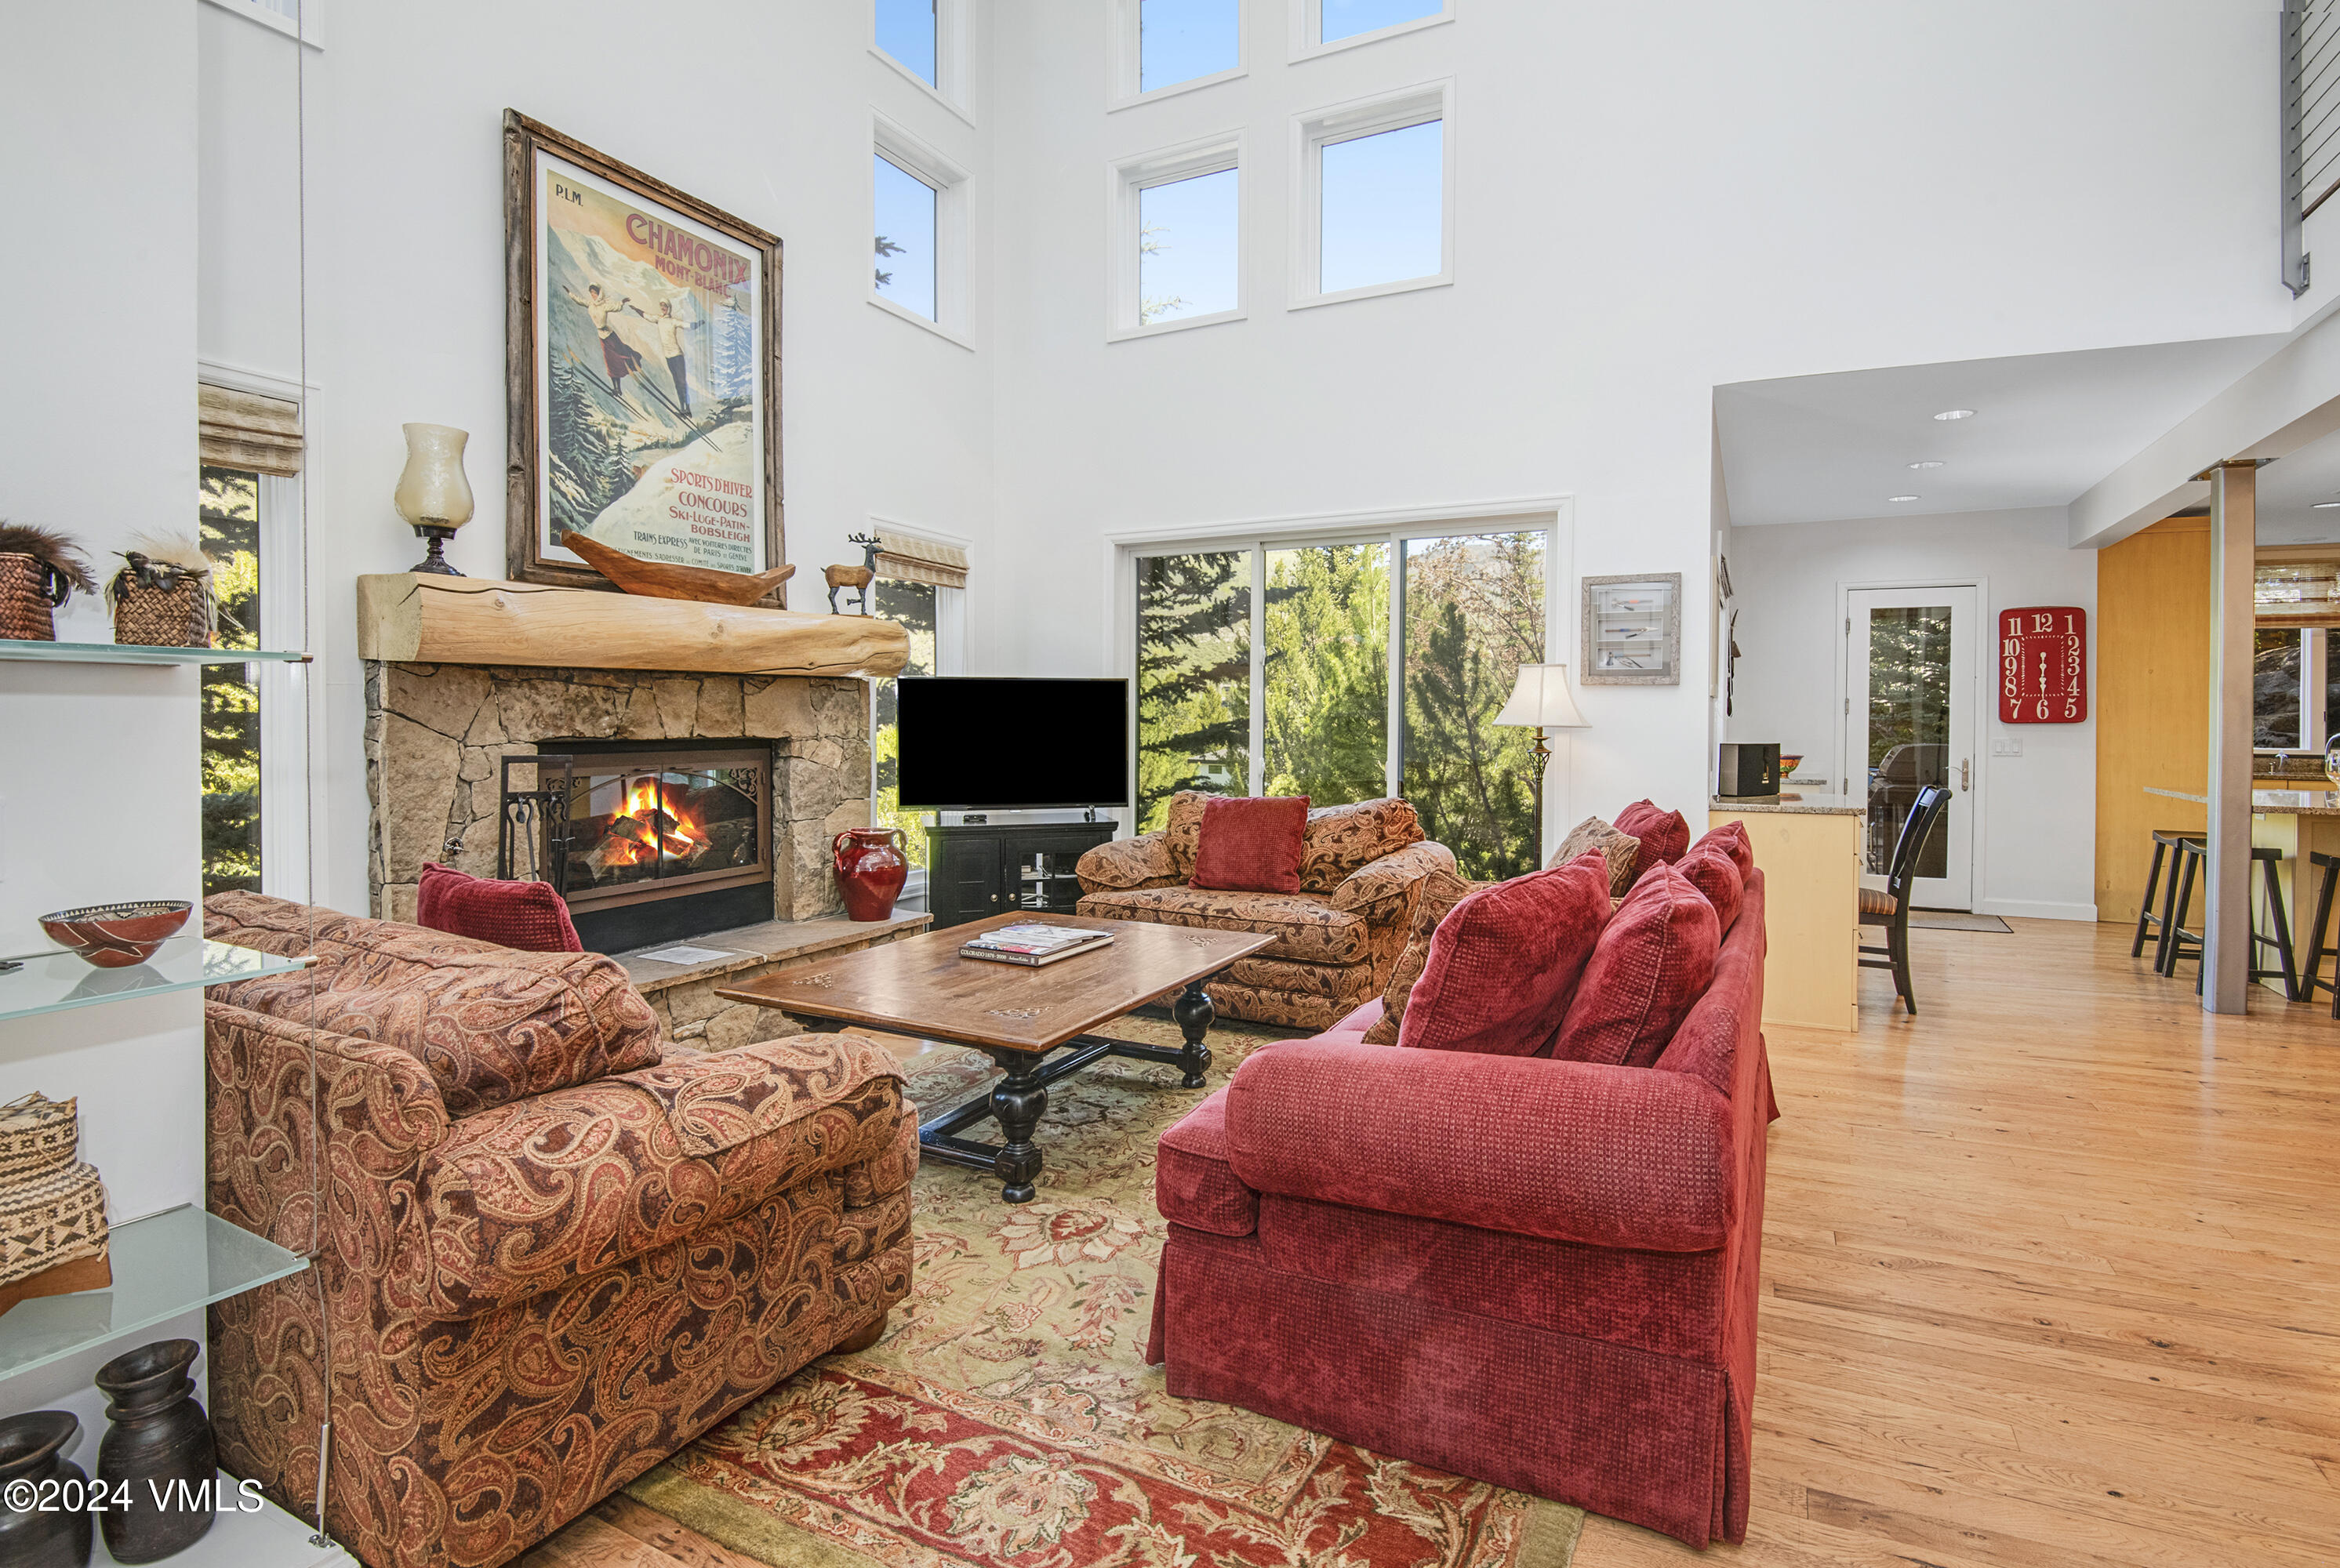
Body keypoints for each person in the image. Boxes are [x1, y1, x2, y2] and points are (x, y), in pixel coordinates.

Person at [561, 281, 642, 401]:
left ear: (599, 293)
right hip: (602, 337)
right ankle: (616, 389)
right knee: (610, 364)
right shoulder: (591, 305)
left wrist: (622, 302)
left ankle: (631, 364)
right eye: (592, 293)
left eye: (595, 293)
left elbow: (616, 307)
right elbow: (579, 301)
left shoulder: (604, 305)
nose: (593, 295)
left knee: (620, 357)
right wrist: (570, 293)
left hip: (610, 336)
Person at [632, 299, 694, 416]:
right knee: (677, 383)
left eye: (664, 306)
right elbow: (647, 316)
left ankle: (688, 408)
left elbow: (686, 325)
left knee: (682, 382)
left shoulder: (673, 321)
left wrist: (696, 324)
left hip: (677, 356)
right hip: (668, 357)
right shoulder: (659, 320)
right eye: (661, 306)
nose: (663, 308)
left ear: (669, 308)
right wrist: (636, 310)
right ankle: (682, 409)